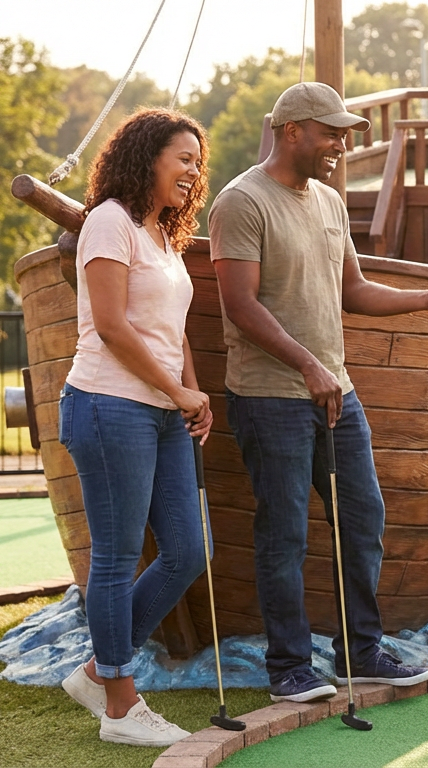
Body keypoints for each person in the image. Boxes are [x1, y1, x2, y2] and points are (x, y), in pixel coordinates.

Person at [208, 82, 428, 703]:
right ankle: (287, 668)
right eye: (331, 132)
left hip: (336, 393)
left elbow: (351, 290)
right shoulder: (241, 202)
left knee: (362, 522)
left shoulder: (331, 202)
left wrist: (425, 300)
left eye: (344, 133)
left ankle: (360, 653)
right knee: (285, 535)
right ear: (292, 132)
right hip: (268, 398)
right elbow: (239, 305)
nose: (340, 144)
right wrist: (308, 365)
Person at [57, 108, 214, 746]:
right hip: (107, 404)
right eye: (183, 158)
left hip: (162, 411)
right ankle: (120, 707)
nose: (193, 171)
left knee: (186, 550)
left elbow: (170, 328)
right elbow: (114, 326)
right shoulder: (108, 222)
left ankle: (100, 669)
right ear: (147, 157)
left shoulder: (162, 236)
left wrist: (192, 392)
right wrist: (174, 388)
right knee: (118, 558)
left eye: (198, 163)